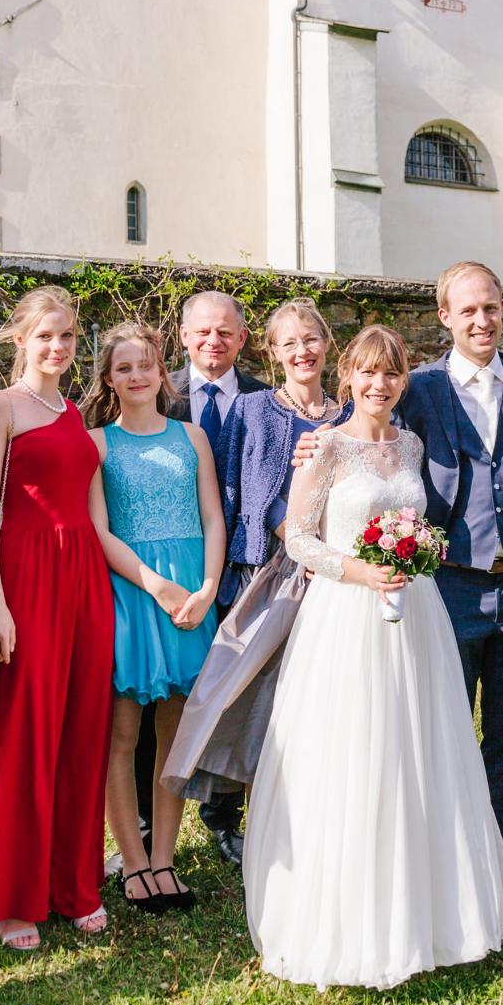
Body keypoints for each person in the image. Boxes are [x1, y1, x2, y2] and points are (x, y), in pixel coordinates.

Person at [244, 325, 503, 989]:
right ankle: (350, 921)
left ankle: (431, 912)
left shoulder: (411, 443)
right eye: (367, 372)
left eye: (391, 373)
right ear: (348, 377)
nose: (379, 384)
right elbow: (298, 538)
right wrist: (359, 571)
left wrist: (414, 555)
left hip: (414, 611)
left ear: (402, 381)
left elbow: (420, 520)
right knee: (355, 750)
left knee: (418, 747)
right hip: (345, 617)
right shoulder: (327, 447)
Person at [296, 262, 503, 935]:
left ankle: (499, 883)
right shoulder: (423, 388)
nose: (482, 320)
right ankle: (433, 886)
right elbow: (366, 426)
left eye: (491, 307)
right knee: (433, 739)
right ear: (445, 317)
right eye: (468, 310)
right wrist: (316, 440)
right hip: (447, 588)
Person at [0, 286, 115, 950]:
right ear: (20, 338)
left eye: (68, 336)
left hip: (85, 578)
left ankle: (73, 886)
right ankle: (13, 897)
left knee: (82, 732)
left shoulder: (73, 411)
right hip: (26, 576)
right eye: (45, 335)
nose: (57, 347)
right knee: (23, 732)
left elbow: (90, 507)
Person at [162, 300, 342, 807]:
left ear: (327, 344)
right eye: (289, 342)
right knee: (242, 697)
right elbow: (239, 491)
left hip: (333, 574)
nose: (302, 351)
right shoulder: (253, 408)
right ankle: (228, 817)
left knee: (313, 696)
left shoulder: (348, 414)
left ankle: (306, 808)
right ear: (271, 350)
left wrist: (332, 557)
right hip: (264, 571)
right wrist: (301, 541)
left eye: (311, 339)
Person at [83, 322, 224, 914]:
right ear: (109, 380)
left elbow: (213, 517)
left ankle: (165, 858)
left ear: (163, 372)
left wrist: (207, 588)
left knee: (175, 733)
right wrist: (154, 583)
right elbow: (98, 529)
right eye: (124, 368)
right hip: (133, 591)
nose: (137, 375)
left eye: (146, 364)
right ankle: (133, 861)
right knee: (123, 734)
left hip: (192, 591)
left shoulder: (192, 437)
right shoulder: (97, 444)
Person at [157, 290, 270, 867]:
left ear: (242, 339)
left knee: (237, 695)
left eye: (225, 331)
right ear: (183, 336)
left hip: (245, 571)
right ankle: (150, 823)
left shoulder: (264, 400)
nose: (213, 341)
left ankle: (225, 819)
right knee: (162, 695)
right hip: (173, 570)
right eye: (202, 331)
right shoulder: (158, 393)